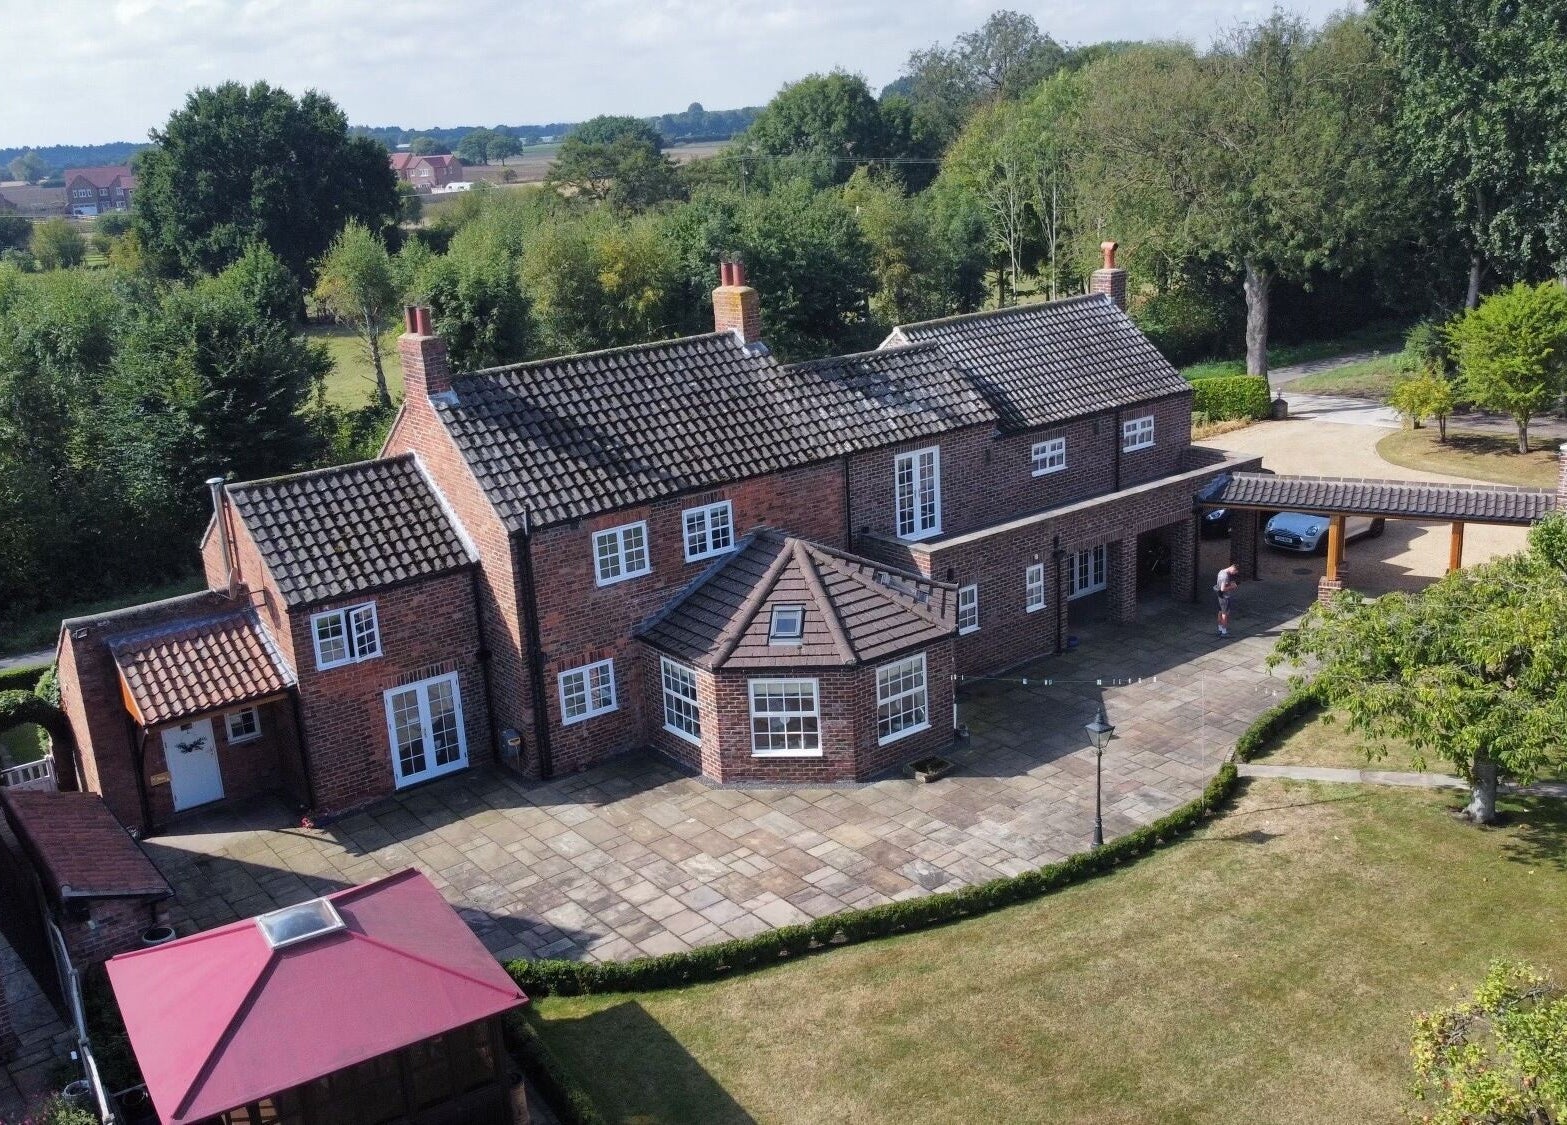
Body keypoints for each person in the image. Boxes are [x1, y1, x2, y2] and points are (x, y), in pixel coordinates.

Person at [1215, 563, 1239, 637]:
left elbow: (1221, 585)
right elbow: (1223, 589)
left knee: (1220, 612)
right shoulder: (1225, 576)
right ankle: (1224, 632)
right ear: (1233, 569)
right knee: (1225, 614)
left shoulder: (1221, 571)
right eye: (1234, 572)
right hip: (1225, 597)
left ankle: (1220, 629)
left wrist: (1229, 583)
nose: (1234, 574)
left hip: (1219, 596)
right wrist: (1232, 586)